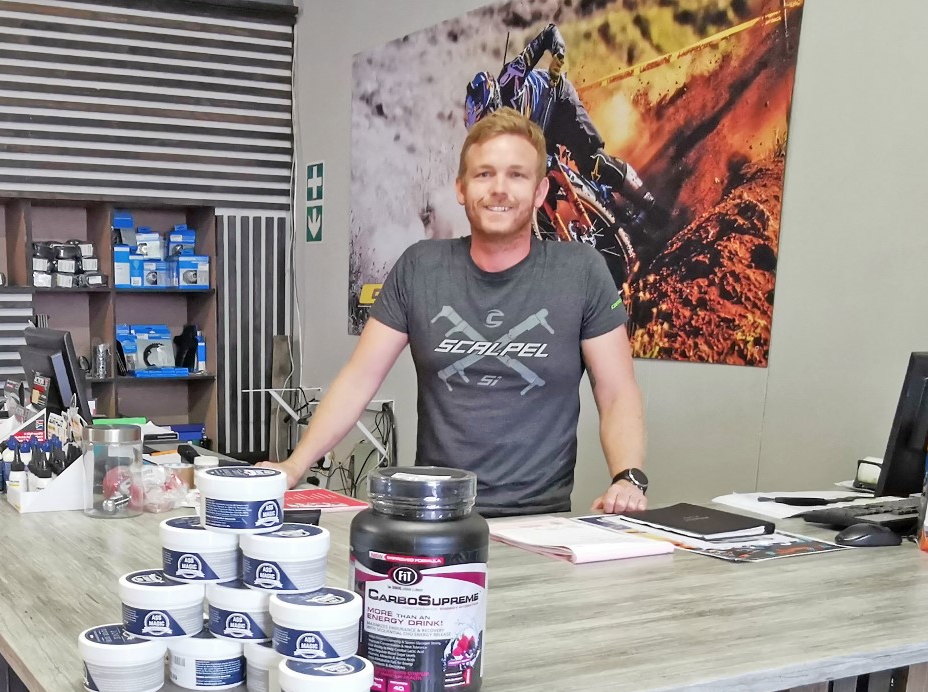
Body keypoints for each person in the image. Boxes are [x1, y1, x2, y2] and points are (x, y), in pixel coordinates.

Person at [261, 108, 647, 516]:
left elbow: (616, 390)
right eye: (484, 174)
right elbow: (360, 378)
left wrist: (628, 477)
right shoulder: (421, 267)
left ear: (539, 192)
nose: (499, 189)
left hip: (538, 521)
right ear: (461, 188)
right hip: (437, 512)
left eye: (516, 175)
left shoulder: (581, 271)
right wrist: (294, 466)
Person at [465, 23, 664, 231]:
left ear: (496, 100)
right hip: (539, 134)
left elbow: (549, 33)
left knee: (593, 163)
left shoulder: (511, 76)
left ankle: (652, 207)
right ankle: (598, 226)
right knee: (539, 202)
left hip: (559, 104)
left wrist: (558, 55)